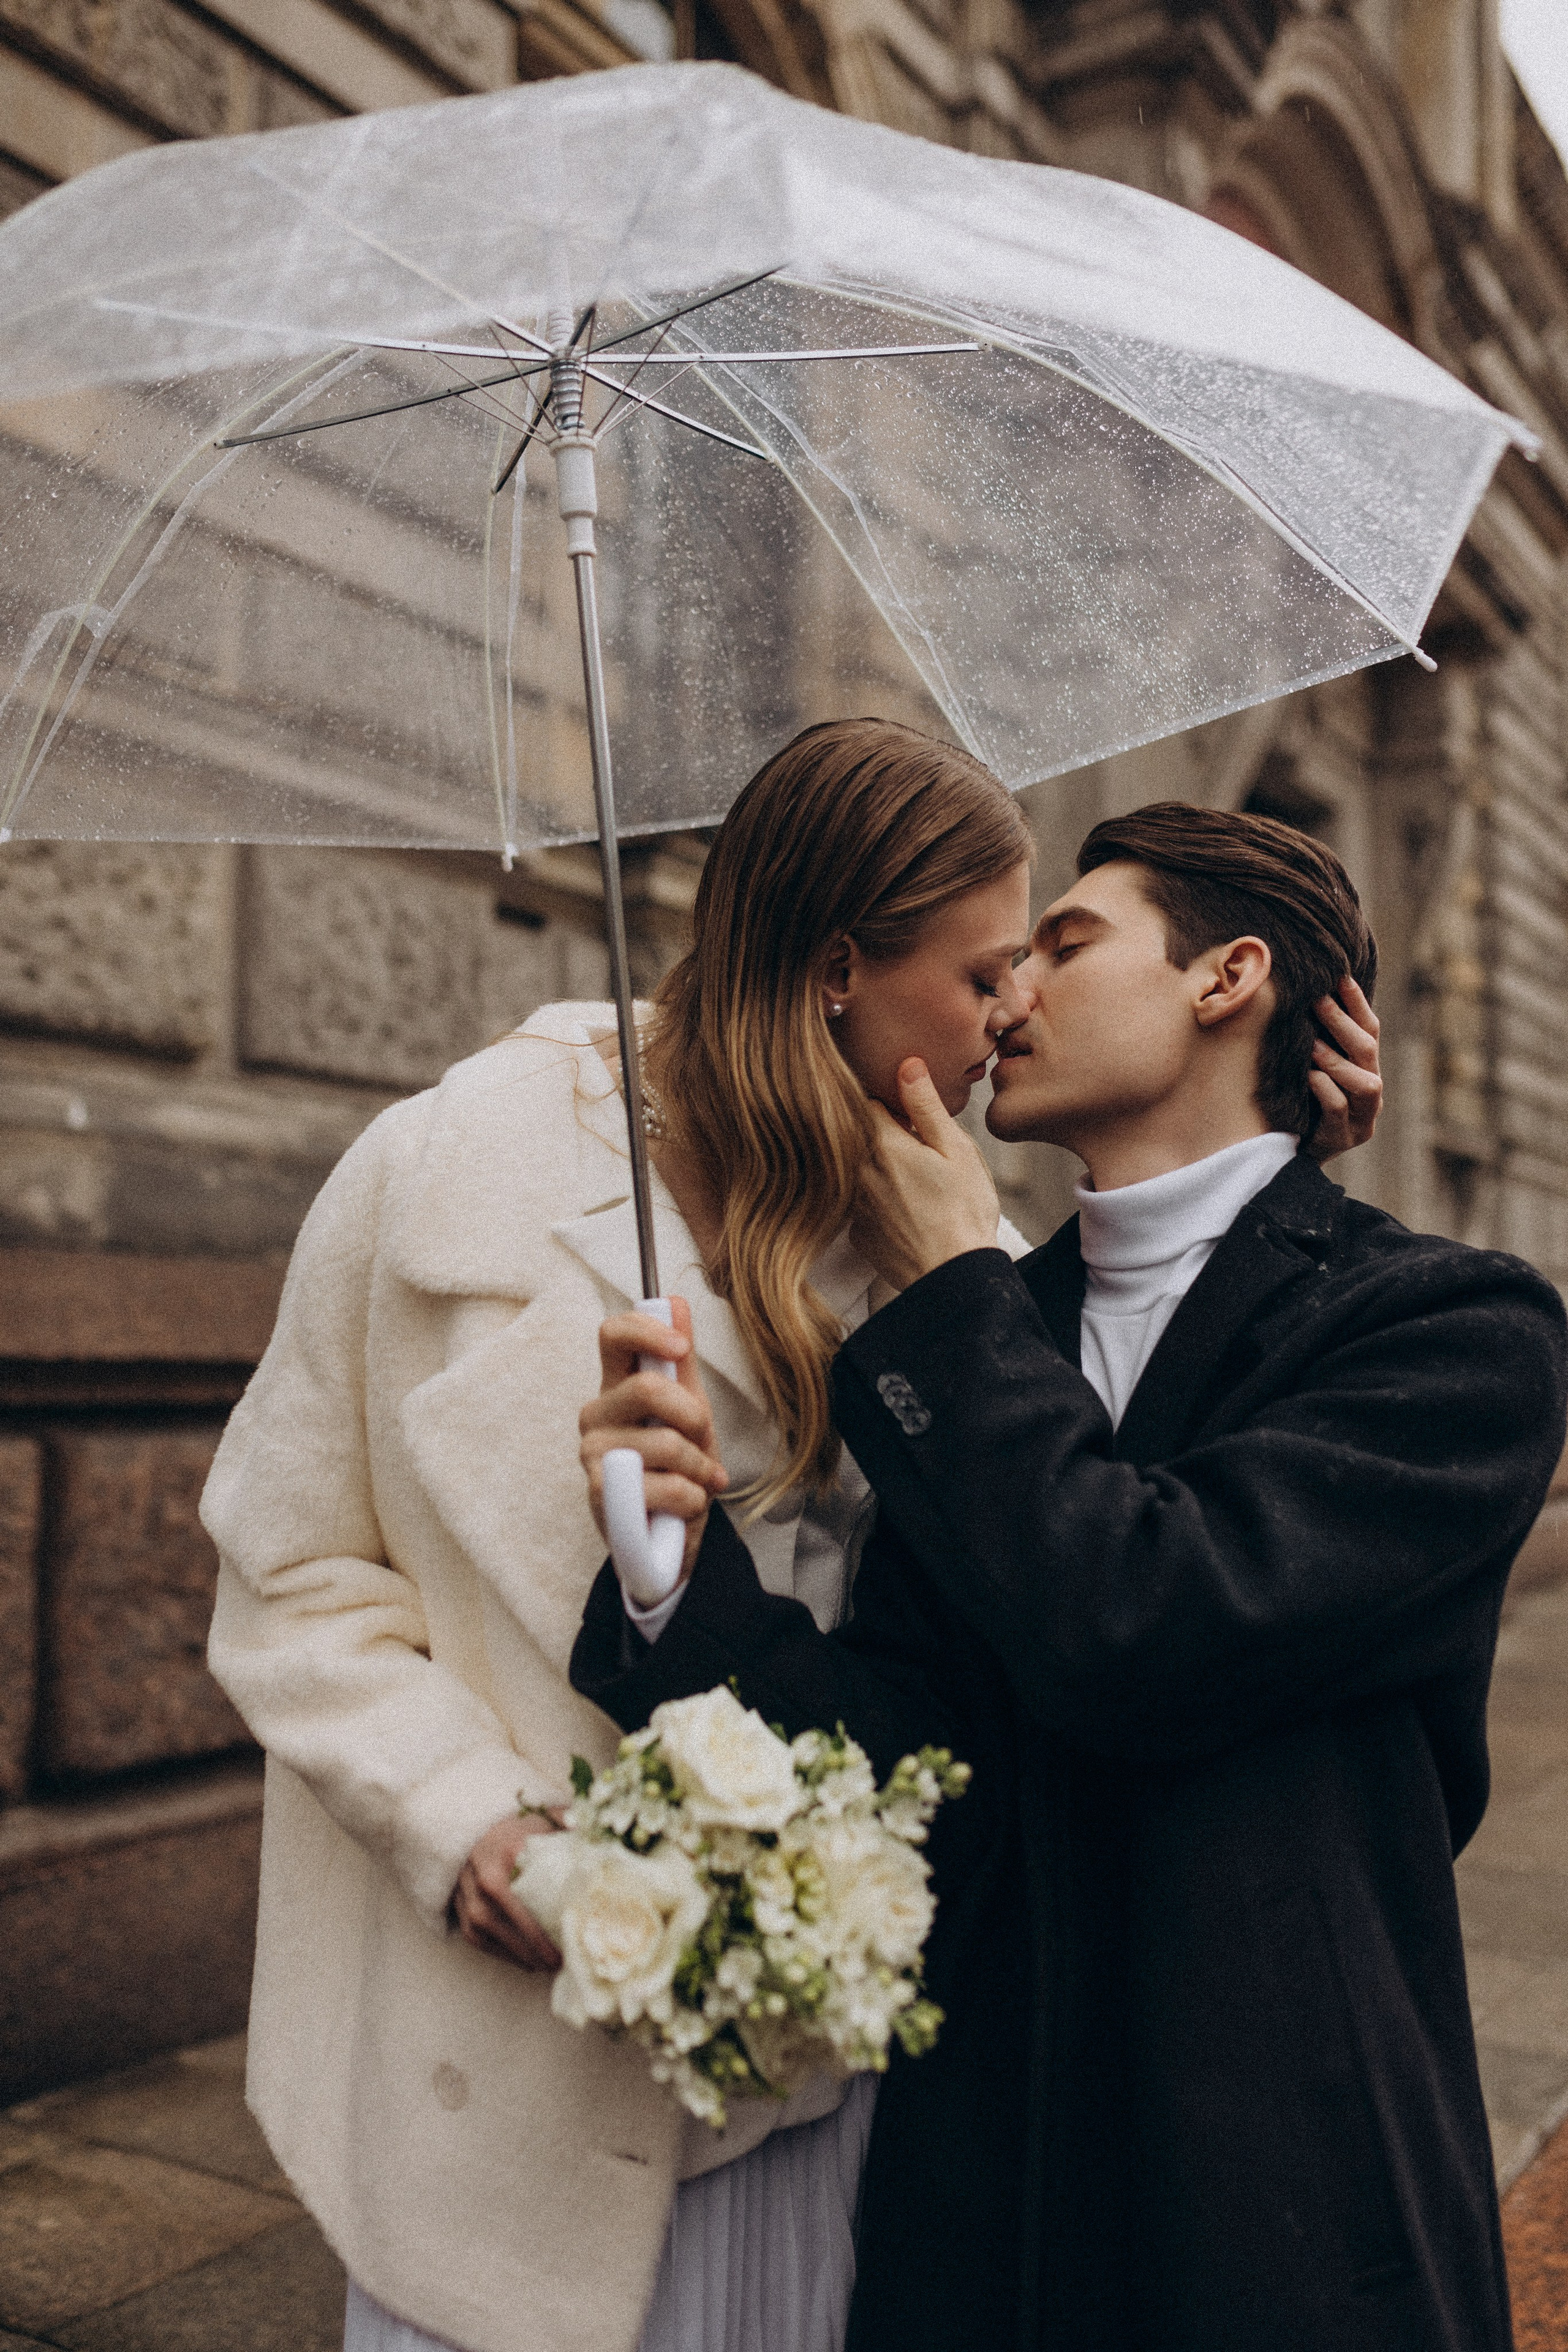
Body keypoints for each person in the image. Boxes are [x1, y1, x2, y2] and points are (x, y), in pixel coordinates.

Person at [572, 801, 1562, 2352]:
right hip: (981, 2202)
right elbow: (900, 1747)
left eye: (1062, 941)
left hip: (1273, 2193)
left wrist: (955, 1284)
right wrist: (666, 1576)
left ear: (1226, 976)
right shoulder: (970, 1337)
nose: (1004, 991)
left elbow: (1144, 1620)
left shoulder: (1452, 1330)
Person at [202, 717, 1063, 2352]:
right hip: (492, 2078)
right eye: (985, 975)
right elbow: (290, 1580)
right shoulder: (444, 1170)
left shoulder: (951, 1253)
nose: (1011, 1021)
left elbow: (1018, 1617)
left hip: (802, 2102)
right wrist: (468, 1832)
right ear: (832, 972)